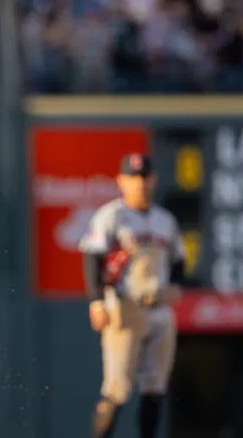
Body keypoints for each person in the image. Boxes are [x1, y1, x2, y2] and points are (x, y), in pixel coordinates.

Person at [79, 153, 186, 438]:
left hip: (159, 307)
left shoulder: (165, 220)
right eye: (134, 178)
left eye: (145, 177)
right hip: (125, 306)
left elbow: (178, 261)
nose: (140, 184)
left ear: (153, 179)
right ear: (122, 181)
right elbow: (93, 256)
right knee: (117, 388)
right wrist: (96, 300)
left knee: (155, 387)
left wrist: (176, 284)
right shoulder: (112, 215)